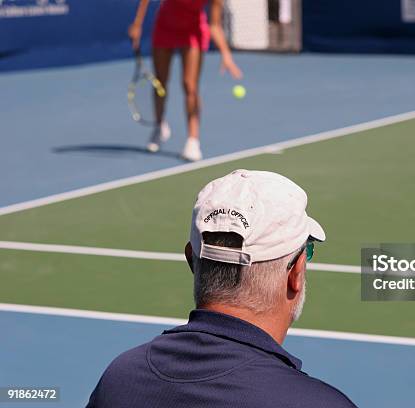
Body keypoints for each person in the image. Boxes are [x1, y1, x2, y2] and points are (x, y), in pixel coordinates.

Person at [86, 169, 357, 408]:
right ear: (295, 273)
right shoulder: (319, 403)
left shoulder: (119, 380)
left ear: (192, 260)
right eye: (307, 252)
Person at [128, 0, 243, 162]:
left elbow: (215, 25)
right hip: (165, 26)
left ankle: (193, 140)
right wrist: (137, 24)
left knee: (190, 86)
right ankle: (159, 126)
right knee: (160, 82)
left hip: (193, 31)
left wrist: (226, 54)